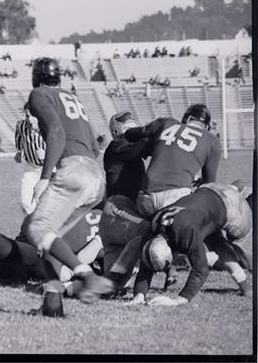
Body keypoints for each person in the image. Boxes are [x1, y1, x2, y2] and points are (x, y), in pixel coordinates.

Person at [23, 57, 113, 317]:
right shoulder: (74, 99)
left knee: (37, 228)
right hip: (95, 176)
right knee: (49, 241)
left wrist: (45, 177)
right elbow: (95, 147)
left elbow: (56, 133)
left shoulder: (39, 94)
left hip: (74, 169)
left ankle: (87, 275)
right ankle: (52, 306)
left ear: (36, 77)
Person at [130, 182, 253, 306]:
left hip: (232, 203)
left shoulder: (185, 232)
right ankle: (246, 288)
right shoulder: (152, 231)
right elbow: (146, 266)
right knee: (217, 242)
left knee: (245, 251)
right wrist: (139, 296)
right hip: (208, 190)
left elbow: (201, 269)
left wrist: (177, 301)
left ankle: (250, 286)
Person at [123, 104, 221, 218]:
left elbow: (132, 134)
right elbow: (209, 185)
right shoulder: (212, 141)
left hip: (146, 196)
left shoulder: (166, 123)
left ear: (187, 118)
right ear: (206, 127)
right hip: (176, 198)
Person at [99, 112, 153, 293]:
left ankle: (66, 287)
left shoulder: (127, 150)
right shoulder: (118, 144)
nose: (136, 132)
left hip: (119, 219)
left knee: (108, 288)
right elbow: (147, 145)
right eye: (130, 128)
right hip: (117, 212)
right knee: (149, 229)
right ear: (116, 131)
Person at [14, 103, 46, 215]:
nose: (30, 119)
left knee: (49, 204)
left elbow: (61, 147)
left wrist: (46, 154)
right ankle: (34, 227)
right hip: (31, 168)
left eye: (33, 116)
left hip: (50, 170)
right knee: (25, 203)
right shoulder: (22, 126)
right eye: (27, 116)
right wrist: (19, 151)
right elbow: (18, 135)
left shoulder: (49, 127)